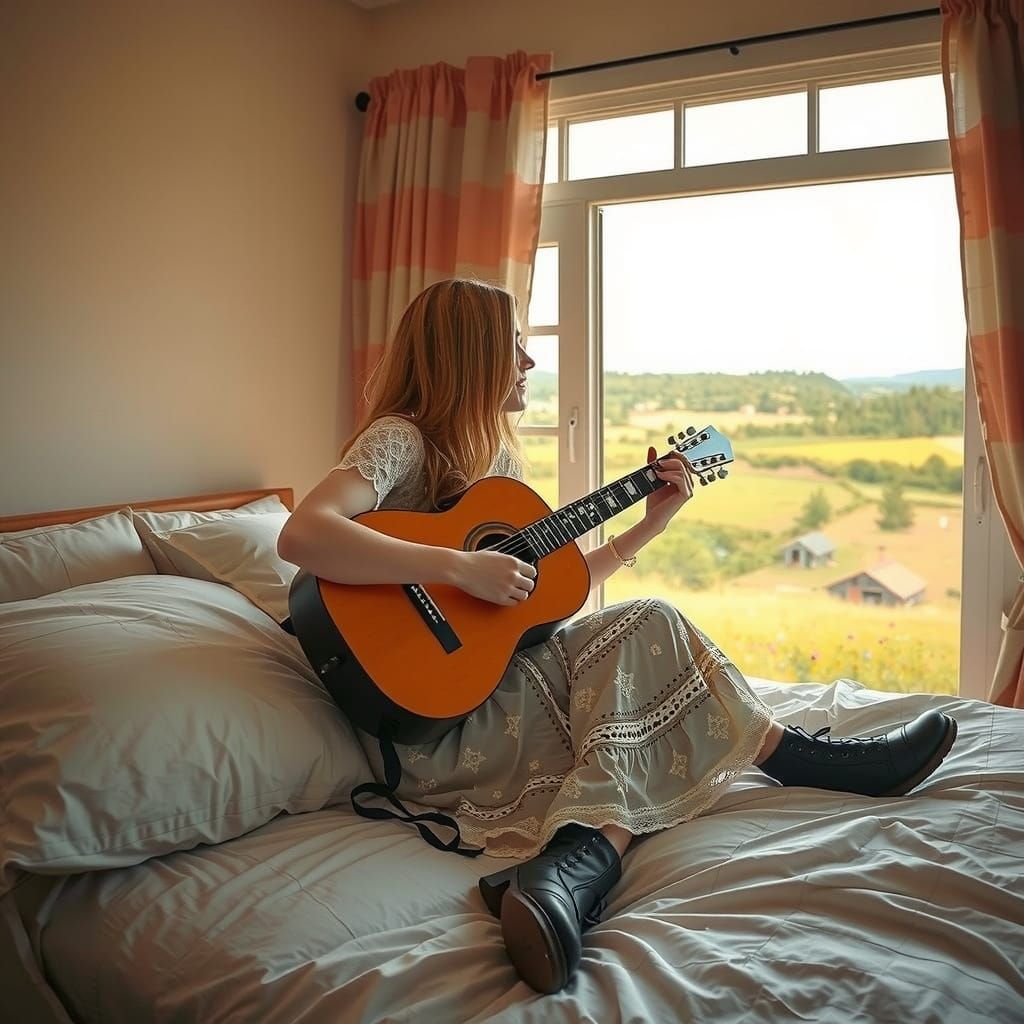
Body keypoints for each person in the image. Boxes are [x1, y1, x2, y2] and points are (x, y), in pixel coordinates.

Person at [277, 277, 957, 995]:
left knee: (647, 624)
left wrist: (649, 525)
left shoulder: (496, 473)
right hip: (432, 715)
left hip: (493, 681)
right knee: (647, 649)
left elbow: (550, 598)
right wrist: (455, 565)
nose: (529, 363)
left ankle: (571, 873)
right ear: (472, 355)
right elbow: (304, 533)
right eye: (516, 346)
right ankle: (791, 757)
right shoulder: (402, 440)